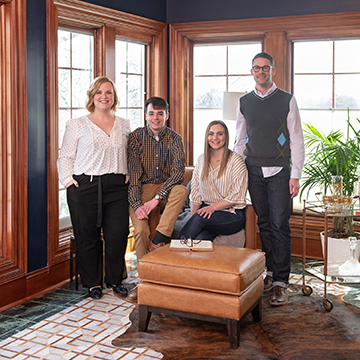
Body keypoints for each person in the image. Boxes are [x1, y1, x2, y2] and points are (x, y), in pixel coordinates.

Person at [234, 52, 305, 306]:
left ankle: (281, 282)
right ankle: (272, 272)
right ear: (251, 71)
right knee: (264, 224)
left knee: (279, 225)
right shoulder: (244, 102)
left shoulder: (287, 100)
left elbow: (297, 139)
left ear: (273, 70)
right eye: (256, 68)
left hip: (279, 173)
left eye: (265, 68)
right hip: (253, 170)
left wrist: (295, 174)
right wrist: (237, 170)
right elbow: (240, 139)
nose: (261, 72)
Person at [58, 76, 130, 300]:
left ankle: (116, 279)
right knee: (87, 235)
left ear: (114, 96)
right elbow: (65, 155)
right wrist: (68, 182)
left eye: (108, 92)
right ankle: (92, 284)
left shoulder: (124, 124)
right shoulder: (77, 124)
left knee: (118, 234)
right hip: (85, 185)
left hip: (117, 187)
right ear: (92, 96)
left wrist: (127, 172)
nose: (104, 96)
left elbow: (129, 153)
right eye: (99, 92)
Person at [126, 96, 188, 302]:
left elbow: (178, 173)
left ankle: (160, 238)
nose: (155, 118)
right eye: (151, 113)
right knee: (141, 229)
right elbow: (133, 176)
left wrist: (157, 199)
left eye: (160, 114)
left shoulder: (175, 138)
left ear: (166, 116)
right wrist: (137, 205)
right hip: (142, 188)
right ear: (146, 115)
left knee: (181, 191)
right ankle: (145, 280)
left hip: (166, 186)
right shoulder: (135, 138)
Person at [178, 120, 247, 241]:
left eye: (220, 134)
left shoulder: (236, 161)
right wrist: (192, 218)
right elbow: (195, 192)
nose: (215, 137)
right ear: (207, 137)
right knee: (200, 239)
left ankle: (172, 255)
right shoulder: (201, 160)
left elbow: (236, 197)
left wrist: (212, 208)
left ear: (226, 136)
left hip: (231, 214)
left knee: (200, 218)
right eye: (211, 134)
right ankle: (182, 257)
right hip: (207, 211)